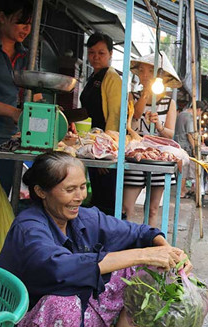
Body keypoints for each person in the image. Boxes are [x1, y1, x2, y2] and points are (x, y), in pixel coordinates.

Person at [0, 151, 191, 327]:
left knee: (145, 267)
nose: (80, 197)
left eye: (82, 187)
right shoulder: (29, 226)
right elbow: (60, 268)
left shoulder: (83, 218)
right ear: (41, 191)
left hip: (77, 316)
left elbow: (140, 232)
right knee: (63, 306)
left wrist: (170, 252)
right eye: (70, 189)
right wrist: (141, 254)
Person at [122, 53, 179, 226]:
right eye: (141, 70)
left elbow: (170, 134)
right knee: (126, 207)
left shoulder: (170, 103)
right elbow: (135, 116)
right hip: (136, 154)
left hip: (159, 157)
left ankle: (149, 244)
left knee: (153, 209)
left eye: (150, 71)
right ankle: (125, 243)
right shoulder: (132, 96)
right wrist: (146, 94)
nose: (145, 75)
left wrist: (159, 127)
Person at [0, 0, 32, 195]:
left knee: (0, 199)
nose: (26, 28)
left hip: (10, 141)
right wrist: (13, 112)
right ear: (1, 17)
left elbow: (34, 93)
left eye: (29, 23)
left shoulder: (26, 56)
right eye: (20, 22)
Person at [80, 32, 122, 215]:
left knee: (106, 203)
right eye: (92, 52)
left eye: (101, 53)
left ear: (111, 54)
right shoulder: (94, 77)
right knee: (96, 198)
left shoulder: (112, 78)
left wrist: (106, 152)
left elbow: (115, 115)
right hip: (93, 147)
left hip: (104, 150)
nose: (95, 57)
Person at [174, 101, 204, 198]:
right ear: (198, 110)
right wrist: (195, 148)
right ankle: (181, 192)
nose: (199, 115)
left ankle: (182, 190)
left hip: (177, 144)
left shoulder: (181, 114)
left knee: (180, 169)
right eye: (200, 112)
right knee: (184, 170)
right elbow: (190, 135)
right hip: (185, 147)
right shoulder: (190, 117)